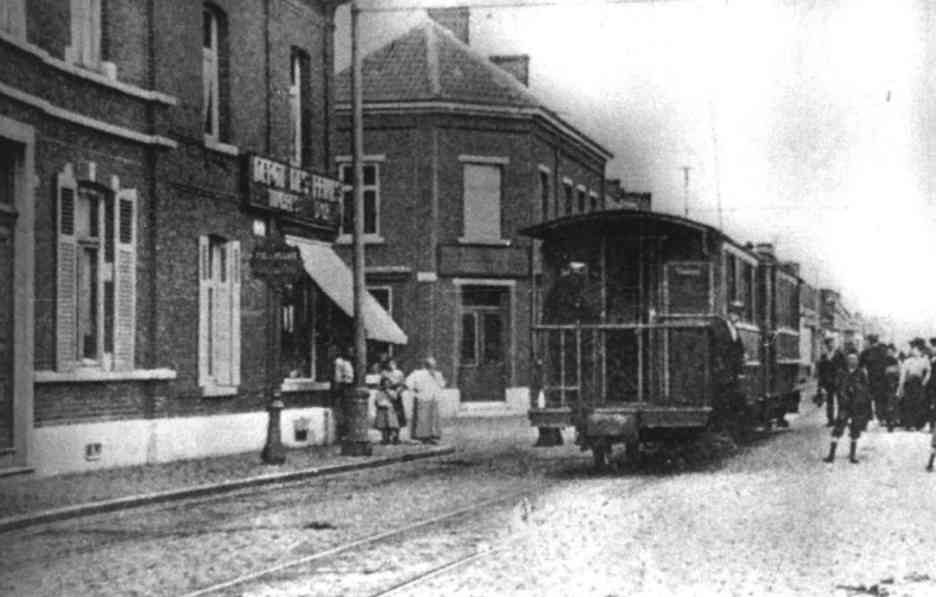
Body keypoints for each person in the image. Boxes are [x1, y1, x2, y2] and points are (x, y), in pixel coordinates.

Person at [823, 352, 871, 464]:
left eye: (855, 360)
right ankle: (831, 455)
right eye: (850, 359)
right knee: (837, 430)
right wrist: (842, 394)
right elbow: (837, 387)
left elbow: (866, 389)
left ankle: (852, 455)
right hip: (844, 406)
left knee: (854, 430)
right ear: (847, 361)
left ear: (858, 361)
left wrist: (857, 391)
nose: (852, 362)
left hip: (856, 406)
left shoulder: (861, 373)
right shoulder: (841, 373)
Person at [406, 357, 445, 444]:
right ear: (426, 365)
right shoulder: (418, 373)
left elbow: (442, 384)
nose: (432, 367)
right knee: (422, 418)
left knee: (433, 417)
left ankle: (432, 435)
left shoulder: (437, 374)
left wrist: (436, 378)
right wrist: (415, 390)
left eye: (434, 365)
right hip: (422, 398)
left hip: (433, 398)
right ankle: (422, 436)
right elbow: (409, 383)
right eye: (430, 365)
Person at [897, 339, 931, 431]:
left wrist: (924, 382)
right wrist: (901, 386)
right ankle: (910, 424)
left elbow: (928, 372)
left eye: (917, 350)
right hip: (909, 384)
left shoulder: (924, 360)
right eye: (914, 350)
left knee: (919, 404)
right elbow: (903, 374)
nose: (915, 351)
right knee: (909, 403)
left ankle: (918, 424)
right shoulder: (908, 361)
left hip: (919, 384)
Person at [816, 337, 846, 427]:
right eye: (829, 343)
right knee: (829, 402)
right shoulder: (824, 356)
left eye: (832, 343)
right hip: (828, 382)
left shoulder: (840, 354)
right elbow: (821, 371)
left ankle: (841, 420)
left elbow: (845, 367)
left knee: (841, 401)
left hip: (838, 381)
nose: (831, 345)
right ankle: (830, 420)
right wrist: (820, 385)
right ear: (827, 345)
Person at [859, 334, 889, 422]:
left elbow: (861, 366)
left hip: (871, 379)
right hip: (881, 379)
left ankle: (870, 416)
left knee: (868, 398)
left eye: (866, 341)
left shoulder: (865, 352)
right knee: (879, 399)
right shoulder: (883, 350)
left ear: (869, 342)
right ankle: (881, 417)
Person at [375, 359, 406, 444]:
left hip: (396, 396)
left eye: (393, 363)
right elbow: (380, 384)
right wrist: (384, 389)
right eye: (390, 363)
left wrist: (398, 391)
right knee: (386, 418)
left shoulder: (399, 373)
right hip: (386, 394)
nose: (391, 365)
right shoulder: (384, 373)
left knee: (397, 418)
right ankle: (386, 437)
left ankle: (396, 437)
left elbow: (403, 384)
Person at [332, 346, 354, 442]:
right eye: (350, 351)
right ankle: (342, 435)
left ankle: (348, 434)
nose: (352, 353)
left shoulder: (350, 362)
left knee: (349, 412)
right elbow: (338, 378)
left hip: (349, 387)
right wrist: (339, 390)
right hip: (343, 388)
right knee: (343, 412)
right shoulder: (339, 362)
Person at [883, 344, 901, 432]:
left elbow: (898, 373)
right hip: (886, 385)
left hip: (893, 385)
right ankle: (890, 421)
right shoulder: (884, 360)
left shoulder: (895, 361)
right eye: (888, 352)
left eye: (891, 351)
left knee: (893, 403)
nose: (889, 353)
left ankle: (892, 421)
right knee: (888, 403)